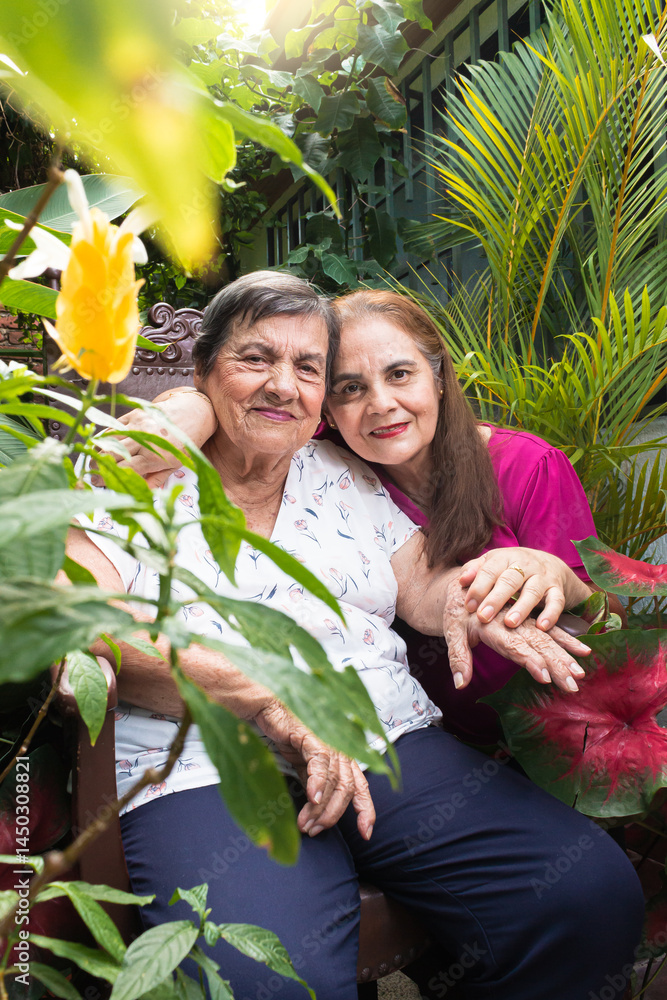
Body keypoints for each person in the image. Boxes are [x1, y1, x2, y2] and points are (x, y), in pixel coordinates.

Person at [72, 272, 643, 1000]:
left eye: (308, 368)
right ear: (201, 371)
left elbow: (422, 587)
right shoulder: (133, 472)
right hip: (202, 766)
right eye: (255, 359)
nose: (284, 385)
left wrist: (491, 589)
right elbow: (80, 622)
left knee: (584, 894)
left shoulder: (338, 470)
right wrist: (263, 699)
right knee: (266, 980)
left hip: (387, 740)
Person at [117, 288, 613, 745]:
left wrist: (566, 582)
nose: (380, 405)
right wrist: (193, 407)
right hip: (417, 732)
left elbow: (609, 625)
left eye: (400, 375)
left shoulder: (526, 466)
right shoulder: (325, 463)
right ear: (327, 408)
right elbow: (249, 409)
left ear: (438, 380)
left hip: (548, 732)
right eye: (350, 388)